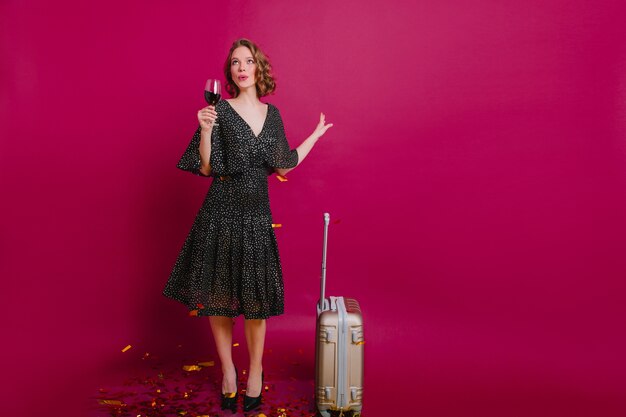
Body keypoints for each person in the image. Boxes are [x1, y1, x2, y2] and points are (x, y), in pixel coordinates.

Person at [162, 38, 333, 412]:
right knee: (220, 302)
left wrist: (315, 137)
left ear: (259, 69)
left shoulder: (273, 116)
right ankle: (227, 372)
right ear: (230, 73)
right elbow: (206, 168)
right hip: (220, 212)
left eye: (248, 61)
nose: (242, 67)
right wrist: (205, 129)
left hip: (257, 216)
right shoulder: (219, 111)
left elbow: (283, 165)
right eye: (236, 62)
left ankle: (255, 371)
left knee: (256, 304)